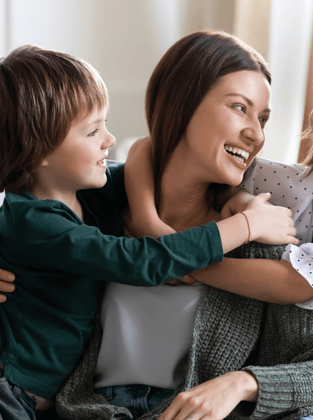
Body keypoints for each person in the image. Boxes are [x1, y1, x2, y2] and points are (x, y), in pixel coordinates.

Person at [50, 30, 313, 420]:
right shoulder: (95, 209)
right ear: (182, 103)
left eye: (264, 119)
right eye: (240, 107)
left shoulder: (258, 239)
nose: (256, 133)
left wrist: (241, 383)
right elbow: (22, 215)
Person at [139, 26, 313, 420]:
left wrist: (187, 261)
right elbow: (160, 151)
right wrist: (233, 202)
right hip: (300, 373)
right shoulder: (296, 184)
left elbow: (299, 283)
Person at [0, 45, 294, 419]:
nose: (108, 139)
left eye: (264, 118)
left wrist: (235, 202)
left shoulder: (88, 194)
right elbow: (141, 261)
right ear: (36, 149)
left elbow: (143, 152)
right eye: (92, 131)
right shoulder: (34, 220)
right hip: (12, 394)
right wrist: (245, 225)